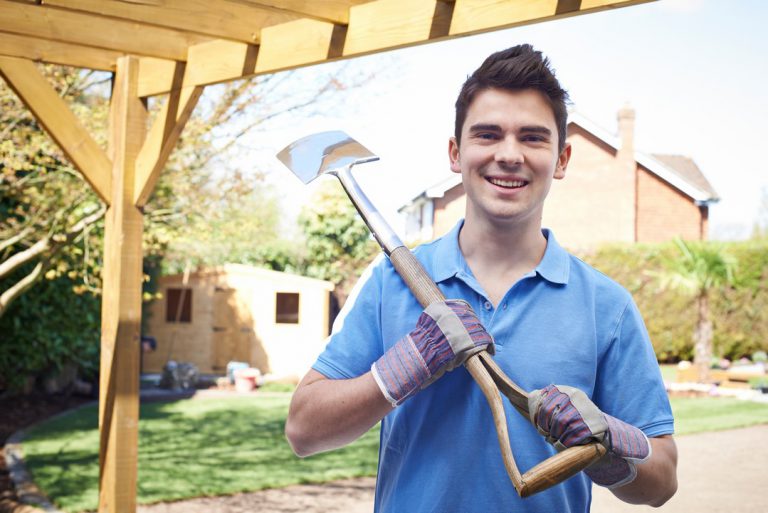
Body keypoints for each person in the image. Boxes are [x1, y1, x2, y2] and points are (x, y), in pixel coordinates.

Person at [285, 44, 677, 512]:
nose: (509, 155)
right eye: (487, 135)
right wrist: (403, 367)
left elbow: (663, 482)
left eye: (532, 138)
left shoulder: (606, 306)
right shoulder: (391, 282)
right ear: (456, 152)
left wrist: (610, 444)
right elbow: (303, 431)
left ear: (562, 159)